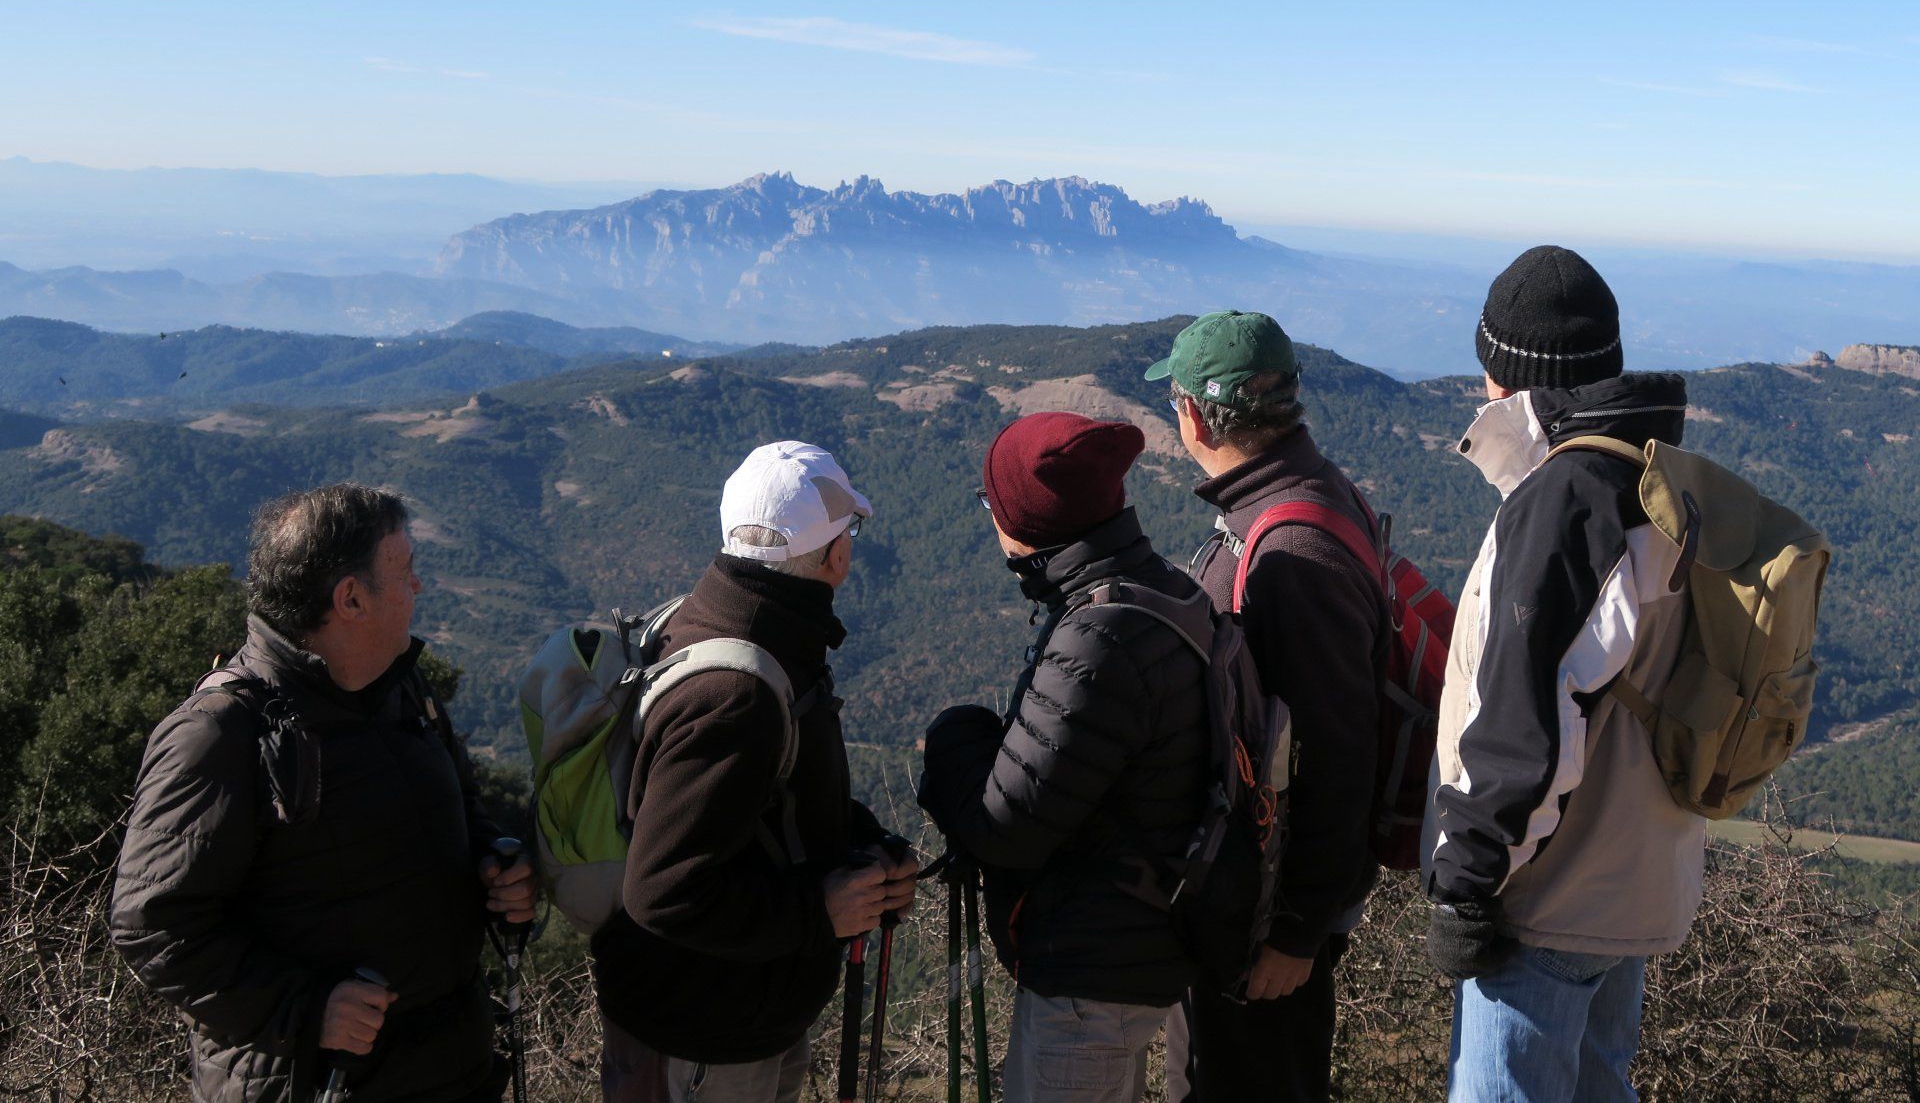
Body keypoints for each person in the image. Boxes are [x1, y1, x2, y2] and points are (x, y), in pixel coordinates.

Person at [111, 483, 534, 1102]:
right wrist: (305, 1009)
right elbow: (152, 924)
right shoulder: (221, 731)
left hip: (451, 1070)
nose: (418, 585)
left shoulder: (402, 689)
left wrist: (494, 866)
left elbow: (460, 810)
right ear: (351, 598)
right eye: (405, 570)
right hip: (315, 1083)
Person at [1425, 246, 1699, 1101]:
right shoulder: (1652, 475)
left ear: (1510, 377)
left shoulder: (1566, 499)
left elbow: (1527, 721)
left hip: (1548, 902)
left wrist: (1467, 882)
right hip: (1633, 882)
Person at [592, 440, 917, 1103]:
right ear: (836, 555)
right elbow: (664, 891)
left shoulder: (734, 622)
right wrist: (819, 909)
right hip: (702, 1039)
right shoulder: (736, 693)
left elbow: (766, 803)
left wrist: (860, 845)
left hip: (732, 1017)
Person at [918, 412, 1211, 1103]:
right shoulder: (1161, 589)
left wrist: (956, 736)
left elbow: (1003, 827)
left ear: (1024, 520)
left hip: (1091, 979)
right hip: (1143, 946)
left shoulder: (1098, 636)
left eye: (992, 503)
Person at [1145, 311, 1390, 1102]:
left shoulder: (1291, 551)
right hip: (1253, 910)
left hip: (1265, 927)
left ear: (1193, 414)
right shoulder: (1297, 496)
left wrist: (1296, 932)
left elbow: (1342, 754)